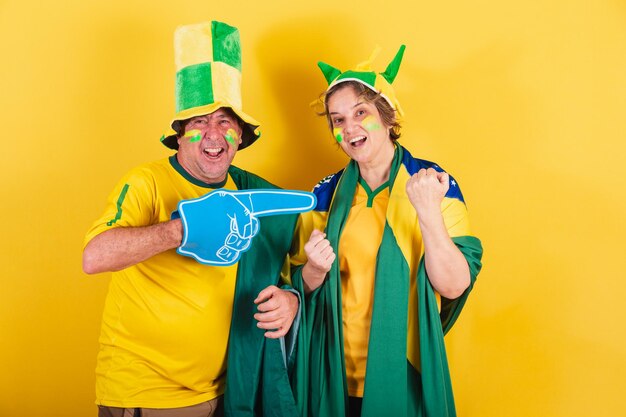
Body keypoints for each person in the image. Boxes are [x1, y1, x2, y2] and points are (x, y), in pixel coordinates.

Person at [83, 21, 305, 417]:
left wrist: (292, 301)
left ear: (240, 136)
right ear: (181, 134)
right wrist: (182, 228)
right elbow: (94, 257)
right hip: (146, 395)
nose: (213, 134)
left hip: (227, 393)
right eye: (199, 122)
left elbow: (305, 264)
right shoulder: (147, 181)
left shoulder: (253, 194)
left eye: (225, 122)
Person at [289, 46, 484, 417]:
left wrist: (427, 212)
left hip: (404, 371)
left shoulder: (435, 185)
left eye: (361, 112)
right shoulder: (323, 196)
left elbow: (455, 284)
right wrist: (313, 269)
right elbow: (298, 285)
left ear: (388, 115)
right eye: (338, 119)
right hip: (331, 376)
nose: (350, 128)